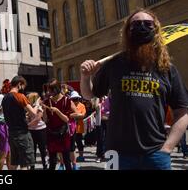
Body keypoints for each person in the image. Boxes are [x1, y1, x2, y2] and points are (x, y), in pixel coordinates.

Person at [80, 9, 188, 170]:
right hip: (115, 153)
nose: (142, 27)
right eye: (136, 24)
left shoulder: (166, 69)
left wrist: (168, 147)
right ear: (127, 31)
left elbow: (182, 111)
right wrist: (86, 76)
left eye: (147, 24)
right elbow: (89, 94)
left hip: (156, 154)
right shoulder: (114, 64)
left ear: (156, 30)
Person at [2, 76, 39, 170]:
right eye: (23, 86)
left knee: (14, 162)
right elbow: (34, 113)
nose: (23, 89)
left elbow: (12, 114)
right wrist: (37, 104)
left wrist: (24, 116)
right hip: (22, 134)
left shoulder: (5, 98)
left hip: (12, 133)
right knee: (25, 163)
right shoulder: (20, 96)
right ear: (19, 84)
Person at [42, 79, 76, 171]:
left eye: (51, 90)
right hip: (51, 133)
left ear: (57, 88)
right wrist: (44, 111)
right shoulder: (46, 101)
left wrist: (57, 111)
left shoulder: (66, 100)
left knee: (66, 160)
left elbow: (67, 119)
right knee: (52, 161)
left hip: (63, 132)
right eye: (48, 90)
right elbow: (45, 120)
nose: (49, 92)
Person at [0, 79, 12, 170]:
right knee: (4, 152)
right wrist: (1, 107)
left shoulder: (8, 97)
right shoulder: (1, 97)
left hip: (7, 124)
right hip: (0, 124)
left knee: (8, 152)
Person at [26, 92, 47, 170]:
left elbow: (37, 119)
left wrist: (27, 125)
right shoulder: (30, 108)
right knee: (32, 149)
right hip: (32, 130)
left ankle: (45, 165)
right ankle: (32, 166)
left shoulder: (39, 107)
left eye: (28, 98)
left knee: (42, 149)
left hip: (41, 130)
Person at [69, 91, 86, 170]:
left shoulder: (82, 105)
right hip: (71, 128)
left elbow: (82, 115)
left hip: (79, 128)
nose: (75, 100)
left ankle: (81, 156)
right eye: (74, 99)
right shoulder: (69, 105)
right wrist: (76, 115)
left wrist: (74, 116)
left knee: (79, 142)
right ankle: (72, 158)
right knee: (71, 144)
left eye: (77, 99)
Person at [94, 95, 110, 163]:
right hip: (99, 121)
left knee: (108, 138)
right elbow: (96, 106)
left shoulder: (108, 98)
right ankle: (99, 155)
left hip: (108, 120)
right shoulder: (96, 99)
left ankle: (107, 154)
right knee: (100, 138)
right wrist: (98, 98)